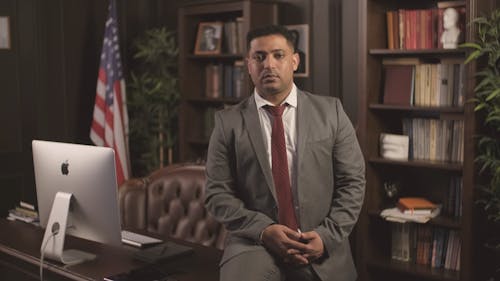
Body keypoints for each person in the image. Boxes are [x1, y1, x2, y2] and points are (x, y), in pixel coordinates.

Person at [204, 25, 366, 281]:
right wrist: (264, 230)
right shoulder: (228, 123)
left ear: (294, 61)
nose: (268, 64)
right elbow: (217, 194)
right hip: (253, 244)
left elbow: (352, 183)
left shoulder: (332, 112)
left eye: (278, 55)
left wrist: (326, 236)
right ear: (248, 64)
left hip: (320, 244)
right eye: (259, 57)